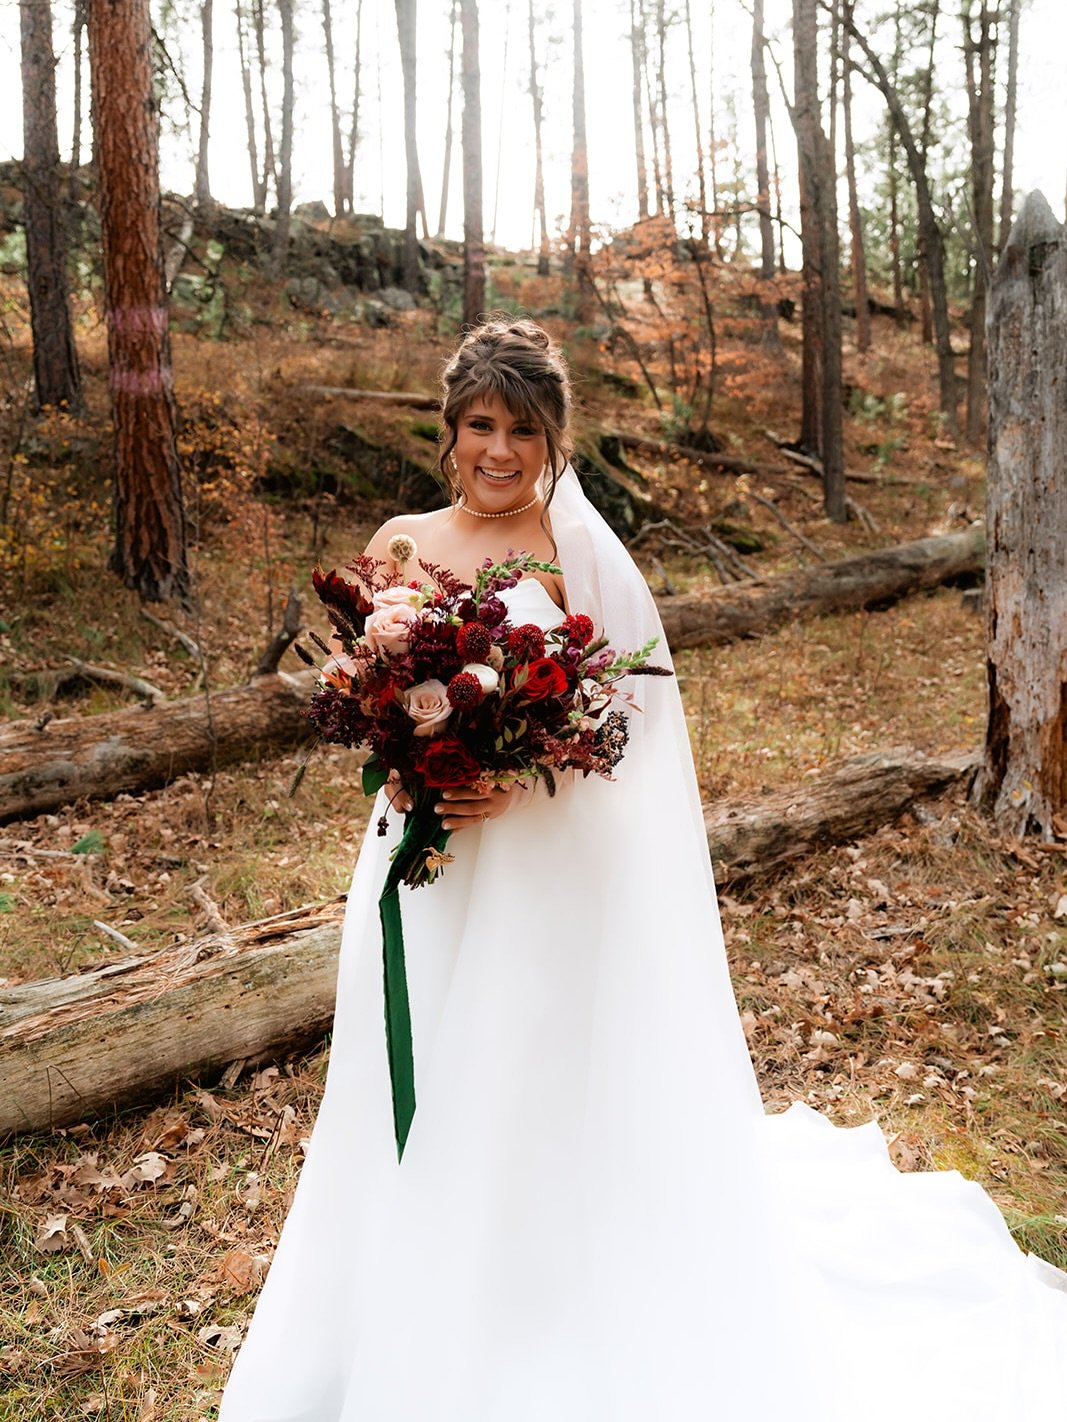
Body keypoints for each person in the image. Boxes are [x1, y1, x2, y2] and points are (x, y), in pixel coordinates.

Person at [219, 318, 1067, 1422]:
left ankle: (535, 1310)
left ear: (554, 437)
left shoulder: (578, 549)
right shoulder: (398, 542)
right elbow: (368, 690)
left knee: (518, 1070)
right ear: (448, 429)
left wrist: (516, 778)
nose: (499, 451)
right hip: (422, 859)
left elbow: (634, 707)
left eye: (522, 429)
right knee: (417, 1068)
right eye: (480, 424)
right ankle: (403, 1310)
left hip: (538, 859)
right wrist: (402, 766)